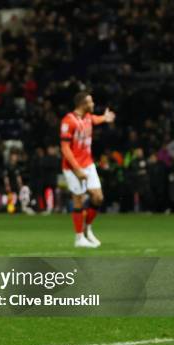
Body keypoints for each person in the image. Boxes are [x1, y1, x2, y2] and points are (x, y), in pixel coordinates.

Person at [60, 91, 115, 248]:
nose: (93, 104)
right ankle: (79, 239)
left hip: (88, 164)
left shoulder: (88, 118)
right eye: (90, 102)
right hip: (72, 167)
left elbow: (95, 119)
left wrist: (105, 118)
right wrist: (76, 169)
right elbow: (65, 148)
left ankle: (86, 229)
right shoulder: (68, 121)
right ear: (82, 104)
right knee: (78, 200)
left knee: (98, 198)